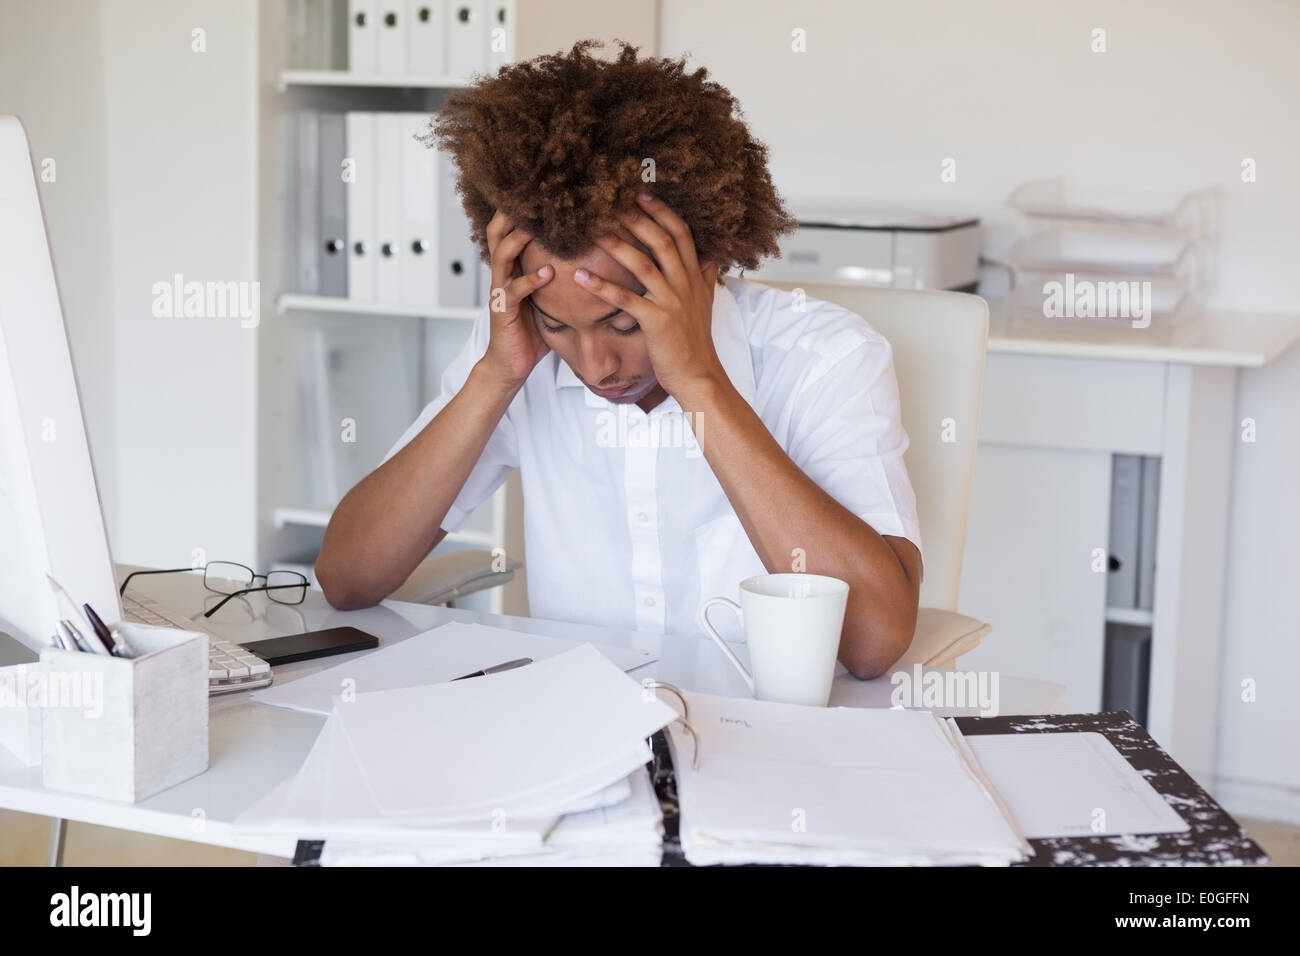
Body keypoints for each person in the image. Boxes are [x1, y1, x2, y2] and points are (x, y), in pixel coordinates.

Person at [315, 39, 923, 679]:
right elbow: (348, 577)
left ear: (706, 269)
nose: (595, 363)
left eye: (624, 322)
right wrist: (495, 377)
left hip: (770, 740)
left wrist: (699, 383)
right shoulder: (515, 353)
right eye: (558, 325)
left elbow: (874, 641)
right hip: (580, 734)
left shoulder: (825, 357)